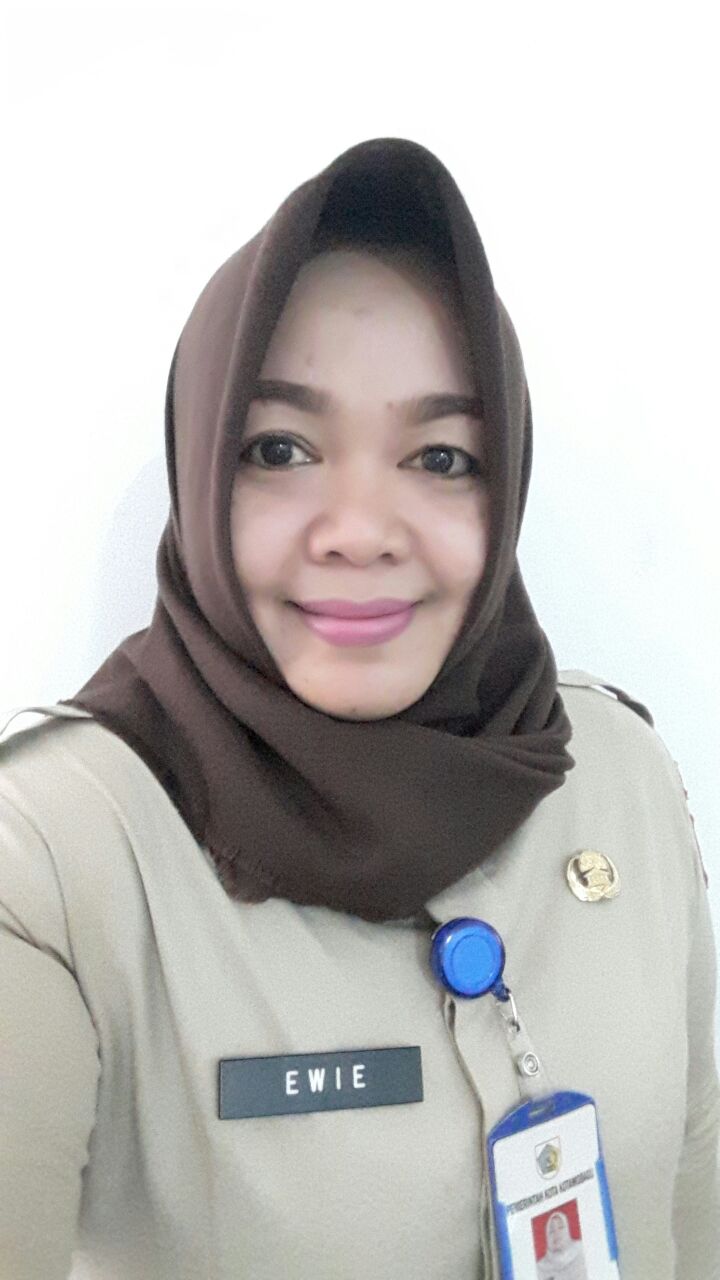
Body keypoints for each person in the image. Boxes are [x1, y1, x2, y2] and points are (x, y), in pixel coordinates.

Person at [0, 135, 718, 1279]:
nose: (361, 528)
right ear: (201, 465)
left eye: (441, 457)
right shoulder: (50, 853)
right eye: (280, 447)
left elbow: (693, 1199)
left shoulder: (618, 770)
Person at [536, 1210, 588, 1279]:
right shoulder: (541, 1268)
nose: (556, 1233)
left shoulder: (581, 1250)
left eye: (560, 1227)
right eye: (551, 1231)